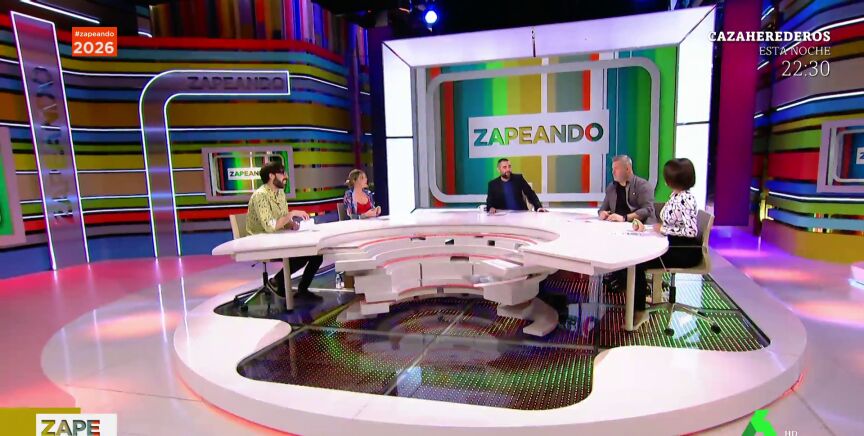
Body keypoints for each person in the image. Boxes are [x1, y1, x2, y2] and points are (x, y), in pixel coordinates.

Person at [630, 158, 703, 328]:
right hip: (673, 244)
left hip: (684, 251)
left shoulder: (685, 199)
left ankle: (640, 311)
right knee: (637, 257)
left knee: (637, 263)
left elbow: (691, 231)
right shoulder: (676, 196)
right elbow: (666, 226)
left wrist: (663, 229)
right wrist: (648, 229)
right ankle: (639, 302)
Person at [246, 161, 323, 301]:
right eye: (282, 173)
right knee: (303, 255)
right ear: (271, 176)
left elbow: (282, 219)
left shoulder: (280, 193)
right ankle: (277, 281)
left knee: (316, 255)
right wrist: (291, 214)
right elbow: (270, 226)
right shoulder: (260, 195)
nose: (285, 176)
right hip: (260, 240)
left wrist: (292, 224)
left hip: (276, 237)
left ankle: (302, 290)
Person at [598, 155, 655, 223]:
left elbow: (647, 209)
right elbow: (602, 209)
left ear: (627, 169)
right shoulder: (611, 187)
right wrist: (602, 213)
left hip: (641, 226)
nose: (613, 172)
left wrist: (624, 218)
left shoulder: (642, 185)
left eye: (616, 169)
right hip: (616, 226)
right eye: (613, 169)